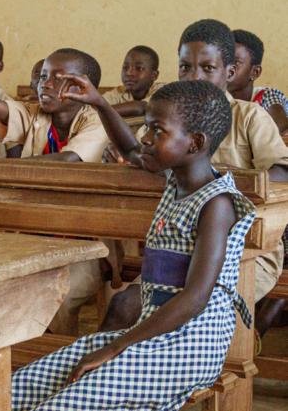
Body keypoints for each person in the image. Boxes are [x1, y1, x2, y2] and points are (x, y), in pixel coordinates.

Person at [13, 79, 254, 411]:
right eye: (148, 128)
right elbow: (131, 148)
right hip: (153, 333)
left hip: (191, 344)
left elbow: (195, 298)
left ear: (194, 143)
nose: (145, 139)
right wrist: (101, 103)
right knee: (22, 396)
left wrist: (118, 345)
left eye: (156, 130)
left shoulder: (217, 204)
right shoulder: (175, 176)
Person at [103, 19, 288, 341]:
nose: (194, 77)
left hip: (246, 251)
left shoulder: (249, 116)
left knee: (169, 310)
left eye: (207, 68)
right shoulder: (169, 118)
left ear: (229, 72)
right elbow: (139, 152)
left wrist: (215, 183)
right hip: (178, 248)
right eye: (185, 67)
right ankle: (107, 366)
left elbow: (282, 173)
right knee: (124, 305)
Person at [229, 29, 288, 134]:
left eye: (236, 62)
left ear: (255, 72)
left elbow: (280, 131)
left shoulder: (266, 96)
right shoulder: (214, 97)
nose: (227, 68)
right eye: (224, 60)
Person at [101, 45, 162, 118]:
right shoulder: (119, 92)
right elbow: (96, 107)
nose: (128, 73)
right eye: (125, 67)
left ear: (154, 75)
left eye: (139, 68)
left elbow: (141, 107)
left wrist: (102, 111)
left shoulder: (162, 90)